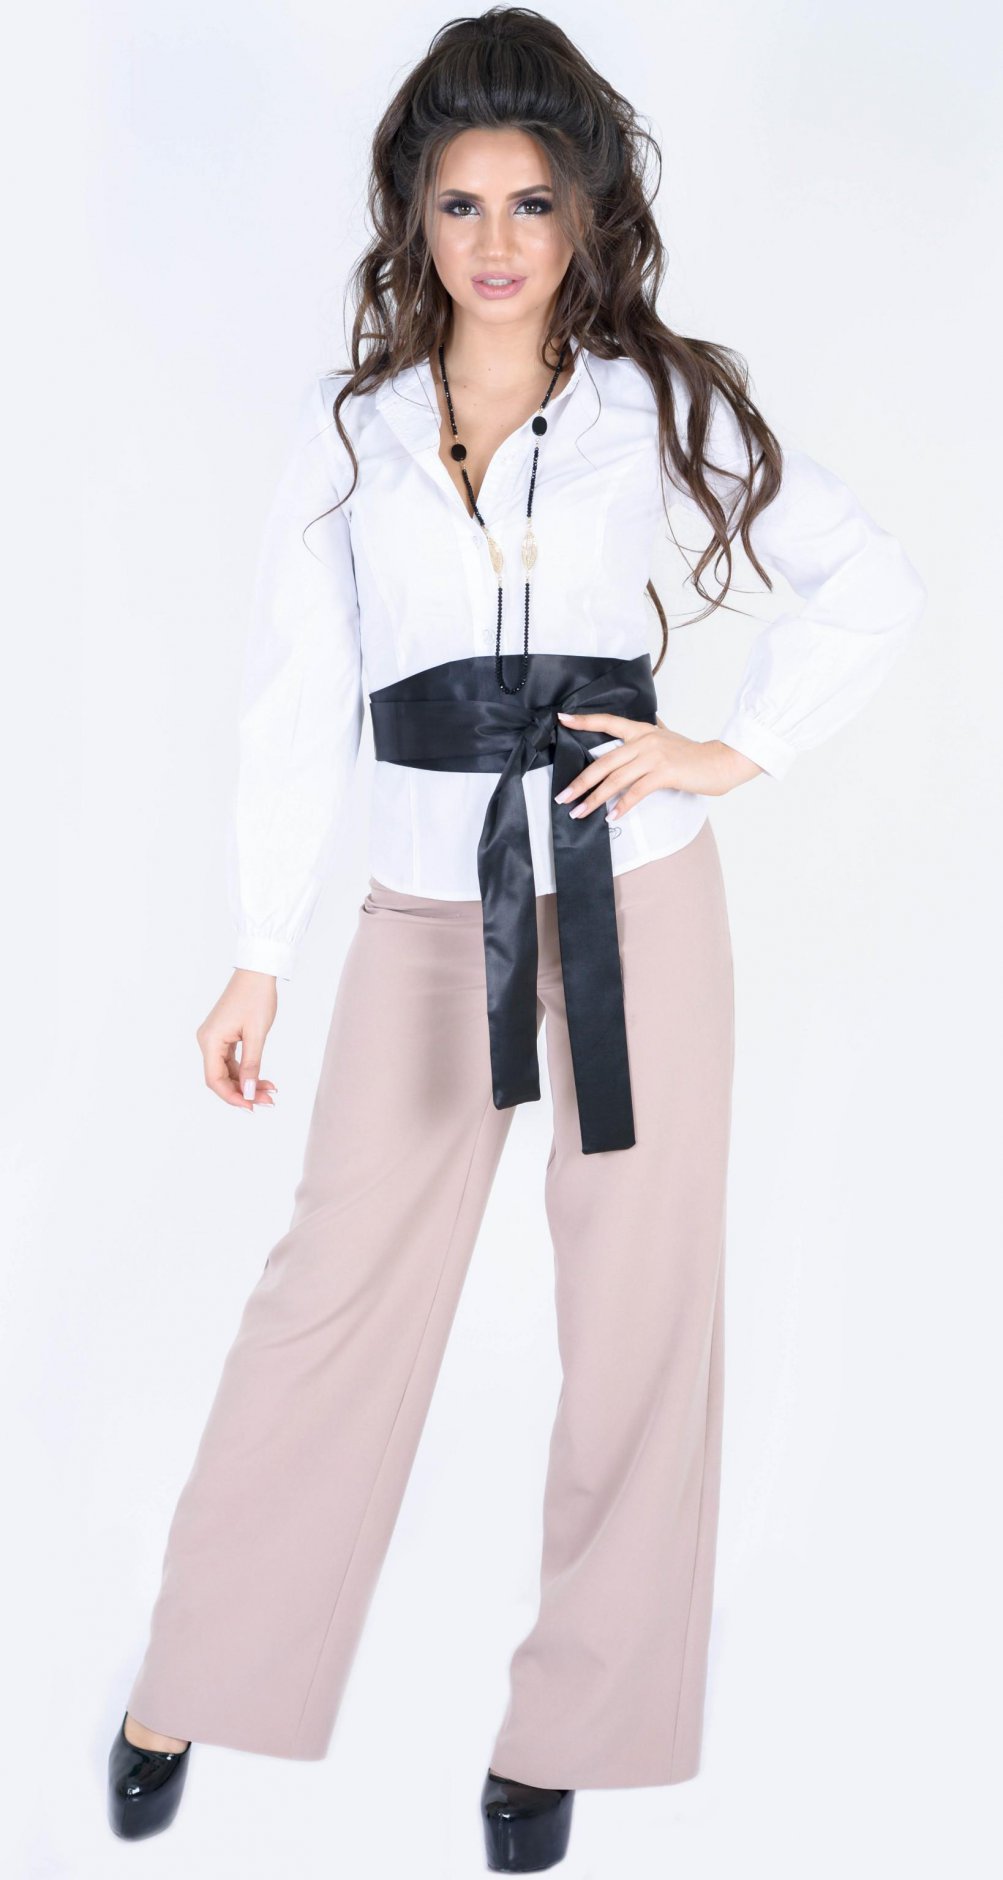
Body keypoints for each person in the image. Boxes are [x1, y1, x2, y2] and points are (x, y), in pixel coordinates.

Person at [107, 9, 927, 1868]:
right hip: (426, 905)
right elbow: (293, 694)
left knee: (644, 1315)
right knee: (329, 1297)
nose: (495, 239)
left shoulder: (658, 404)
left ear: (585, 214)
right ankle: (194, 1671)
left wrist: (734, 749)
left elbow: (867, 580)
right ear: (415, 213)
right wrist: (258, 947)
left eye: (532, 201)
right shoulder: (355, 433)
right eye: (462, 201)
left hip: (640, 899)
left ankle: (572, 1725)